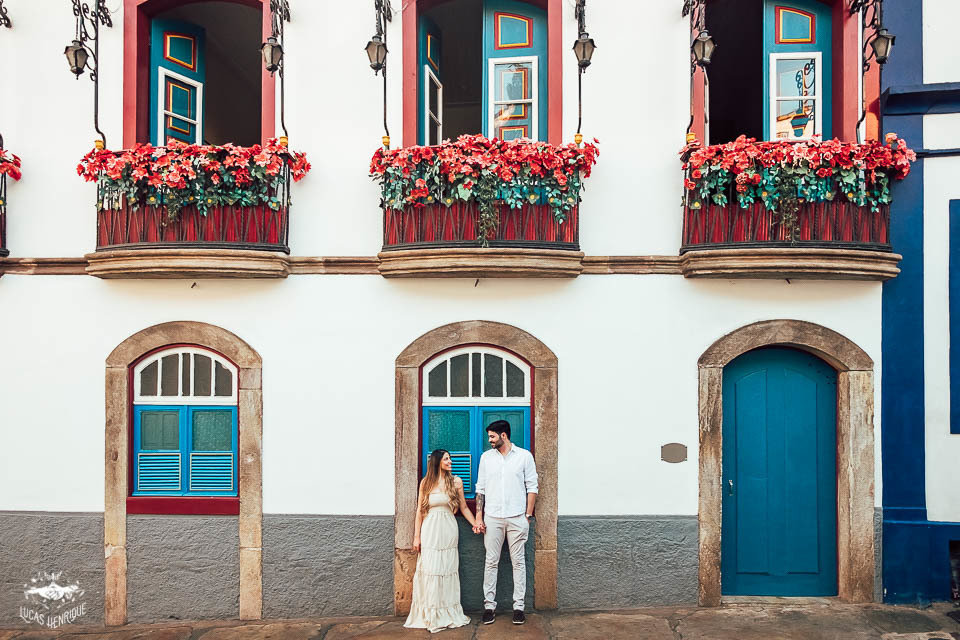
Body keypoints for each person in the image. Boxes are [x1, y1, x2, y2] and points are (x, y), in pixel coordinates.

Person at [404, 449, 482, 633]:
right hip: (430, 529)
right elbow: (419, 511)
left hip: (448, 529)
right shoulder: (426, 482)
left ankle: (446, 612)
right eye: (446, 459)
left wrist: (476, 524)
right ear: (437, 462)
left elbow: (463, 506)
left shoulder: (456, 481)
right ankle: (431, 612)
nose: (450, 461)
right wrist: (416, 537)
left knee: (446, 569)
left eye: (450, 459)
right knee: (431, 570)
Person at [474, 420, 538, 625]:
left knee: (518, 563)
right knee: (491, 561)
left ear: (504, 435)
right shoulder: (486, 458)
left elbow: (532, 487)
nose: (489, 440)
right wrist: (478, 516)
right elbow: (480, 489)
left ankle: (519, 607)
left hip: (517, 517)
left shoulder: (524, 457)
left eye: (492, 436)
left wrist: (527, 515)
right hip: (492, 517)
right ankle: (489, 607)